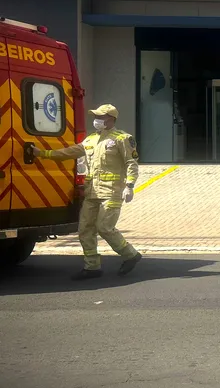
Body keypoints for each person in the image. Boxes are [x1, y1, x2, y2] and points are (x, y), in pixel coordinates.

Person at [26, 104, 142, 280]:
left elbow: (131, 163)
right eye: (96, 117)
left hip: (111, 192)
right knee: (85, 229)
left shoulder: (122, 138)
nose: (97, 120)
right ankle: (92, 267)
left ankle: (130, 255)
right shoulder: (90, 140)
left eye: (101, 117)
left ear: (111, 119)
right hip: (92, 192)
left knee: (105, 227)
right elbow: (68, 152)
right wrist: (41, 153)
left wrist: (130, 185)